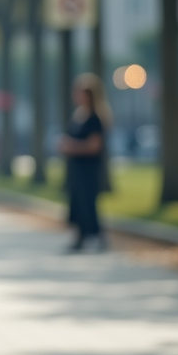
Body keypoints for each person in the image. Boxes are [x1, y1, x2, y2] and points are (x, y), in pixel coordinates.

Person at [60, 72, 111, 252]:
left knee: (88, 203)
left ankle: (96, 236)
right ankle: (80, 236)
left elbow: (94, 146)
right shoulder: (78, 115)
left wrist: (71, 146)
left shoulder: (95, 118)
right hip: (76, 168)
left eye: (80, 91)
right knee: (76, 202)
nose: (76, 94)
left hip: (88, 168)